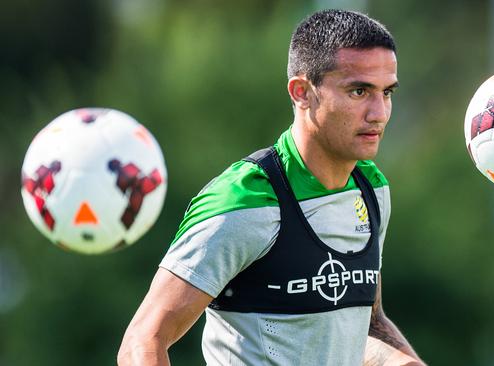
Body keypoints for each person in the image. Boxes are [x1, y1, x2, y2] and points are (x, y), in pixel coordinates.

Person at [118, 9, 424, 366]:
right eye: (359, 91)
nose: (379, 113)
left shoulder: (372, 188)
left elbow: (362, 324)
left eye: (387, 92)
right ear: (302, 93)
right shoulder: (242, 200)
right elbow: (143, 340)